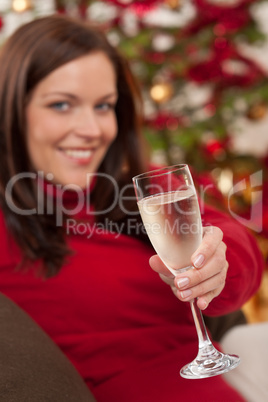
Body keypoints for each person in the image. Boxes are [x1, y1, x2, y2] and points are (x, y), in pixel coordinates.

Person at [0, 14, 264, 402]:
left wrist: (221, 265)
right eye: (61, 105)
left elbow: (236, 244)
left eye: (104, 106)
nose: (92, 129)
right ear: (12, 110)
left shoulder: (147, 188)